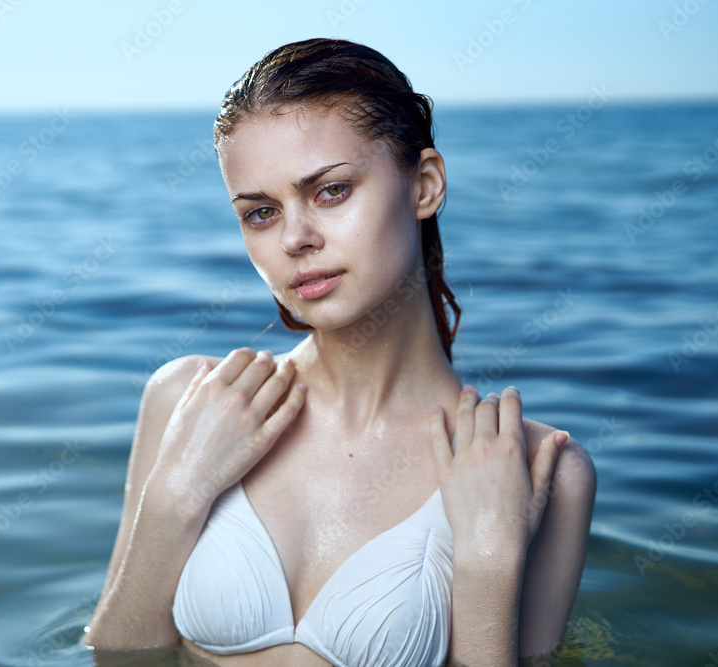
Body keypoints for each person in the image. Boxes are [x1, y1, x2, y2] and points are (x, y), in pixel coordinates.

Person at [83, 38, 596, 667]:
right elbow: (115, 656)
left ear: (425, 185)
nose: (296, 239)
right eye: (262, 213)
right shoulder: (188, 401)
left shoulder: (537, 467)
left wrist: (490, 564)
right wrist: (177, 495)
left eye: (330, 191)